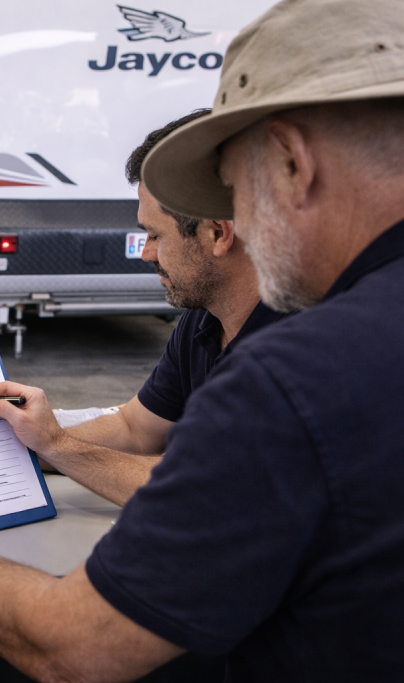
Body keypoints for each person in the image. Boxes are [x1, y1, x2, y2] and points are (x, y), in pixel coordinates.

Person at [0, 0, 404, 680]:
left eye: (232, 185)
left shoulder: (295, 377)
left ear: (290, 161)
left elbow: (69, 645)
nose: (238, 220)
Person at [49, 109, 288, 505]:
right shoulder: (204, 319)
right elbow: (135, 428)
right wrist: (20, 436)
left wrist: (55, 445)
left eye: (154, 235)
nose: (145, 253)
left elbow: (201, 486)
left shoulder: (294, 347)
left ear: (216, 234)